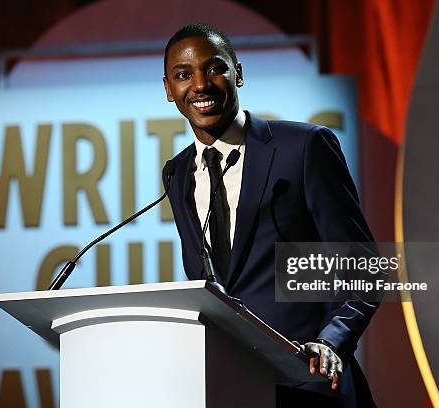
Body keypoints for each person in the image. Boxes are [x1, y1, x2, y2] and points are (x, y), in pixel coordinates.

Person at [162, 23, 378, 407]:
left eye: (214, 69)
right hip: (230, 388)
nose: (200, 85)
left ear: (238, 74)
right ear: (168, 89)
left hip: (310, 386)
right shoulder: (177, 174)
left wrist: (330, 341)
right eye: (183, 75)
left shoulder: (304, 147)